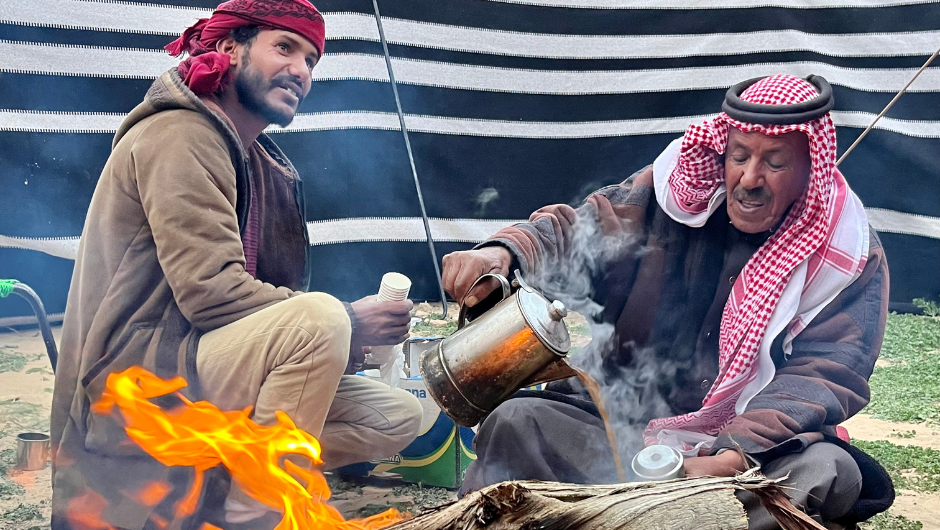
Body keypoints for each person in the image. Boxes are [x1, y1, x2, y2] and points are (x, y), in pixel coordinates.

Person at [442, 74, 893, 528]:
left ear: (811, 167)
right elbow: (580, 233)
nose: (749, 179)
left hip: (747, 453)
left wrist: (733, 455)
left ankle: (624, 513)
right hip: (620, 431)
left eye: (775, 163)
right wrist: (504, 251)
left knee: (824, 470)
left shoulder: (848, 250)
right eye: (739, 157)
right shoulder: (669, 194)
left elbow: (823, 374)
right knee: (518, 421)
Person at [50, 1, 422, 528]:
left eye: (311, 60)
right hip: (133, 379)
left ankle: (210, 493)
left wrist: (341, 345)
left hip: (194, 362)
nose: (301, 70)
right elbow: (211, 293)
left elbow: (259, 310)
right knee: (320, 321)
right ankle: (255, 517)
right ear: (228, 49)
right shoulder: (180, 134)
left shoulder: (255, 157)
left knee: (395, 416)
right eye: (285, 47)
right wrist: (347, 321)